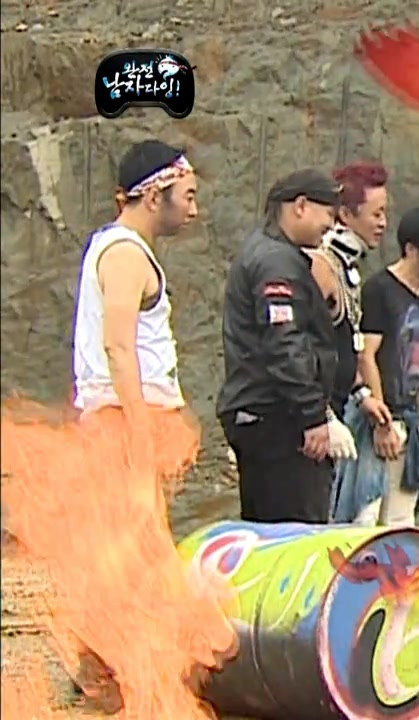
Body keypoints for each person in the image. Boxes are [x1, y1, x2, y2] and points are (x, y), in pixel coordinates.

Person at [13, 139, 234, 711]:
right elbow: (118, 345)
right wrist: (137, 430)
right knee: (138, 558)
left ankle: (109, 675)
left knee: (125, 554)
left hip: (121, 423)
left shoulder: (118, 250)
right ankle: (124, 676)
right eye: (187, 195)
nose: (194, 208)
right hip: (121, 425)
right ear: (155, 194)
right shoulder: (126, 254)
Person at [217, 169, 346, 523]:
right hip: (277, 420)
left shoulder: (276, 254)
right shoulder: (275, 261)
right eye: (328, 214)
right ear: (300, 206)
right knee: (296, 534)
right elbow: (284, 343)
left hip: (267, 416)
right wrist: (312, 415)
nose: (330, 227)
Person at [331, 207, 419, 526]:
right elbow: (366, 356)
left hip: (409, 415)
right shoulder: (379, 290)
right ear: (411, 249)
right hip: (375, 415)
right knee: (365, 514)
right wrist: (381, 422)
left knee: (401, 516)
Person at [307, 161, 390, 418]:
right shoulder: (321, 266)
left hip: (336, 405)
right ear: (345, 214)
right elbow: (300, 348)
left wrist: (362, 394)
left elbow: (344, 344)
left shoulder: (344, 265)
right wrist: (317, 417)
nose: (383, 223)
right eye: (376, 214)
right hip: (313, 415)